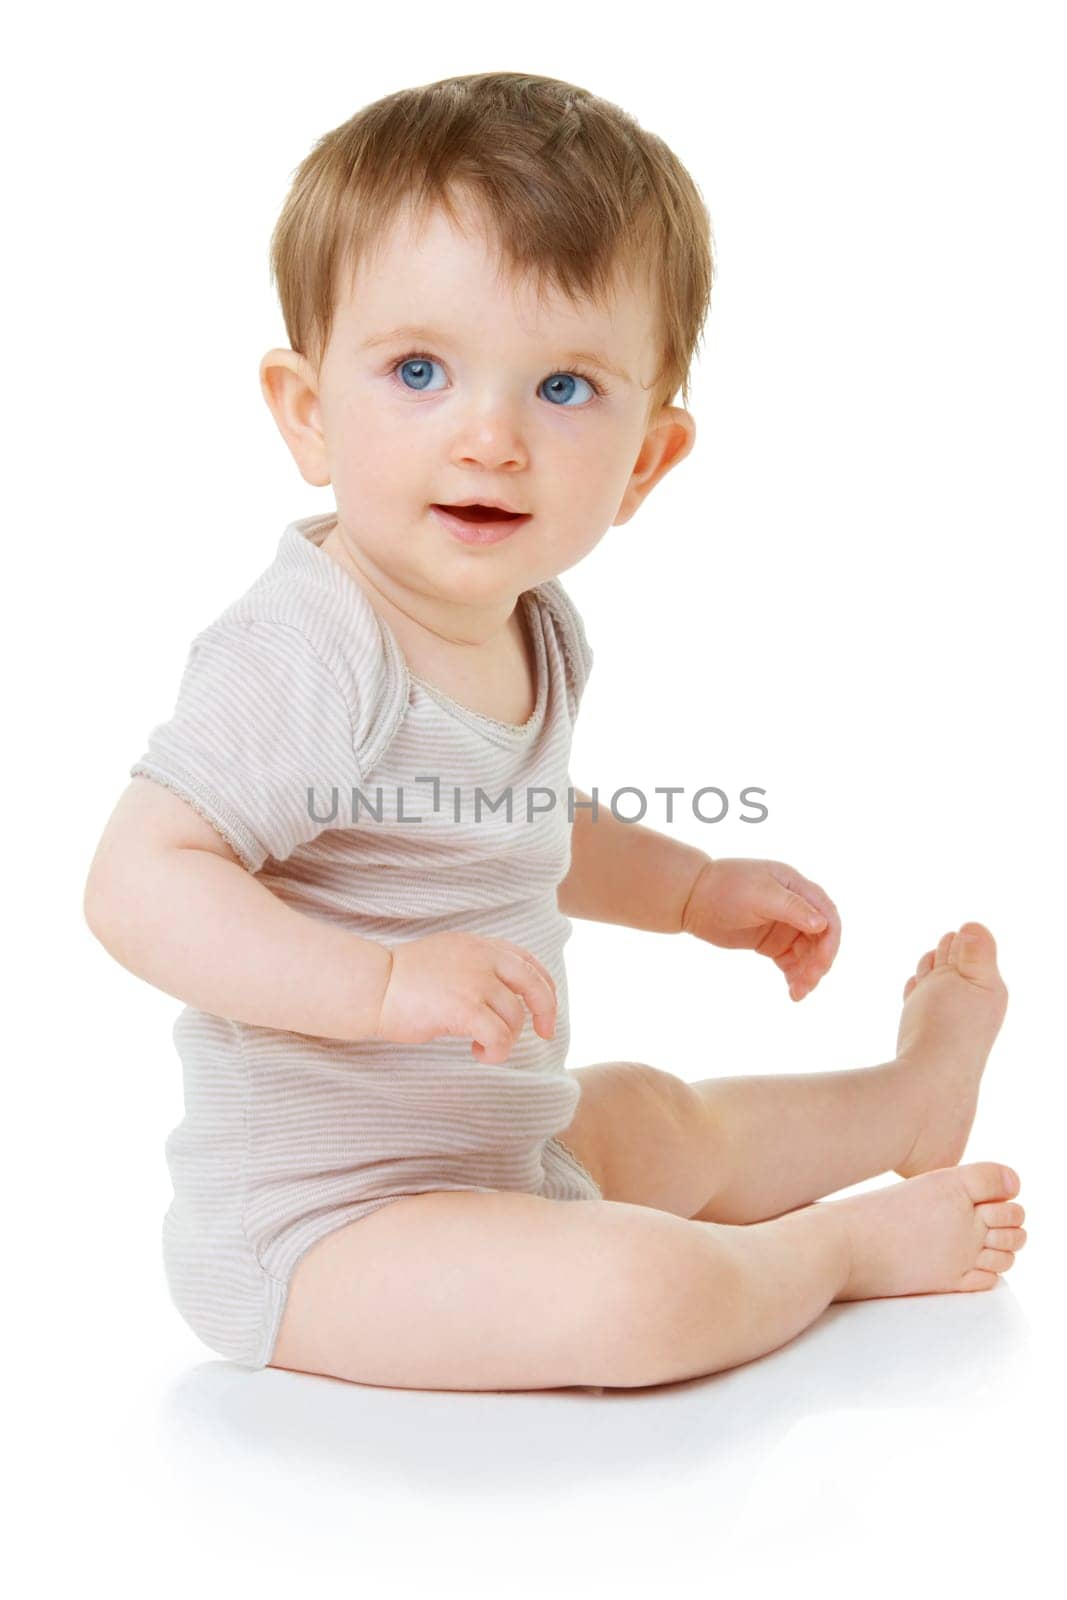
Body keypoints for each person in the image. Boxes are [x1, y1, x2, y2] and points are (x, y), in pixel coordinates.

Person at [83, 71, 1025, 1392]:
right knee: (639, 1294)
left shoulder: (536, 629)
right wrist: (382, 986)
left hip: (498, 1153)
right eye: (420, 370)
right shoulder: (307, 646)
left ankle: (906, 1096)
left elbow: (515, 823)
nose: (489, 436)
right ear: (307, 412)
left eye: (566, 388)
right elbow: (136, 883)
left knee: (655, 1114)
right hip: (321, 1240)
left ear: (646, 459)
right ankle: (835, 1254)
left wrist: (692, 890)